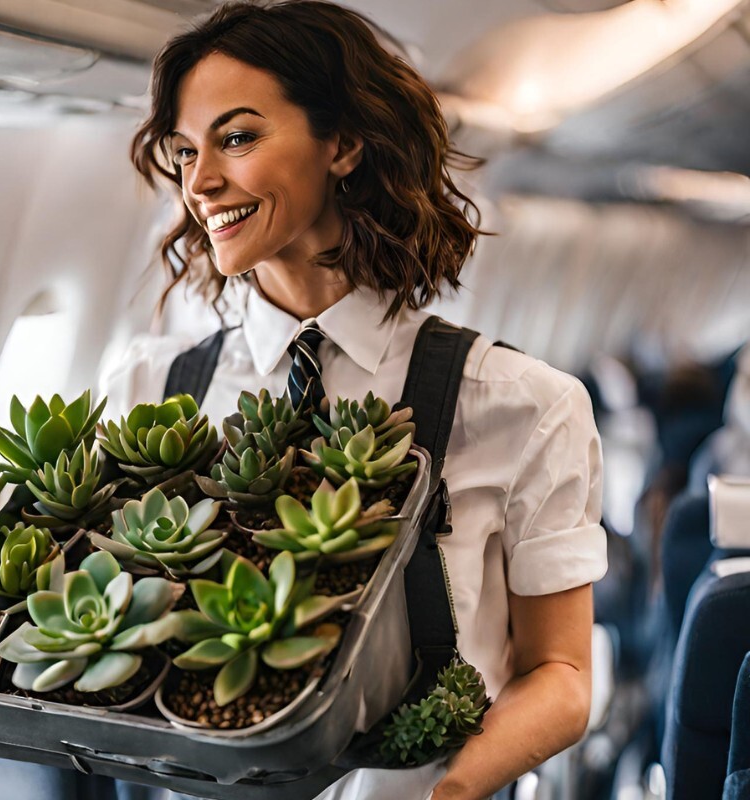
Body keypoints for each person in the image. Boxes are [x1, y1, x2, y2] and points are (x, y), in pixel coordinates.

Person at [100, 2, 608, 798]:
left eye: (236, 138)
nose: (199, 182)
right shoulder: (147, 393)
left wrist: (450, 792)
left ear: (342, 144)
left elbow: (564, 672)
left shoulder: (524, 407)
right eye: (184, 150)